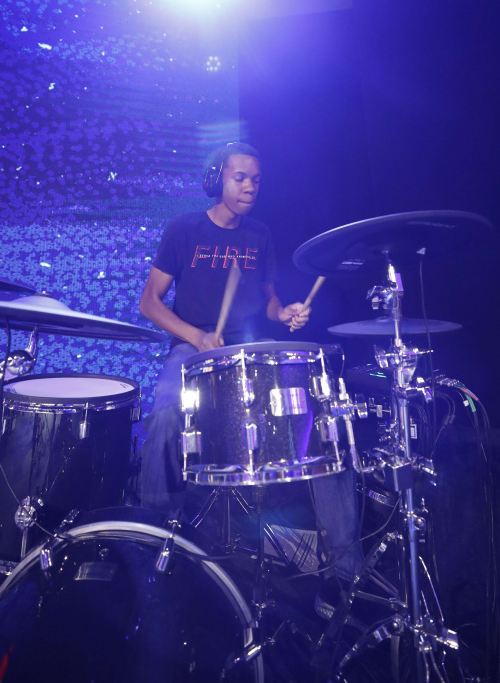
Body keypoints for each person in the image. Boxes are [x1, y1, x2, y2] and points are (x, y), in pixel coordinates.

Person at [139, 142, 362, 615]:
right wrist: (196, 336)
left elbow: (269, 301)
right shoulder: (184, 230)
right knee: (165, 416)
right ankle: (153, 538)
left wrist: (288, 312)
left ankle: (344, 575)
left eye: (256, 180)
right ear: (216, 180)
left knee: (319, 426)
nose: (250, 187)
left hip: (248, 348)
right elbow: (150, 302)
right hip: (192, 349)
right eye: (240, 177)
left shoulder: (259, 235)